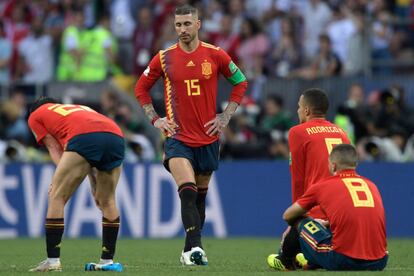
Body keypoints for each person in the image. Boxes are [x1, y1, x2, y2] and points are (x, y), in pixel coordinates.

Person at [135, 4, 248, 266]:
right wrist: (156, 119)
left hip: (208, 138)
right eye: (178, 25)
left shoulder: (216, 55)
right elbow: (141, 88)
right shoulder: (163, 57)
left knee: (199, 198)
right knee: (187, 191)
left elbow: (240, 82)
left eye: (187, 24)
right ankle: (197, 249)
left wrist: (225, 116)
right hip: (178, 138)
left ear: (198, 24)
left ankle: (188, 251)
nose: (182, 29)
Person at [27, 97, 125, 272]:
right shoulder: (81, 107)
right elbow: (91, 152)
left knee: (56, 195)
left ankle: (52, 261)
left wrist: (59, 178)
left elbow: (54, 147)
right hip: (115, 135)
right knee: (107, 201)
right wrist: (92, 180)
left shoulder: (36, 115)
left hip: (84, 137)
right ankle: (107, 261)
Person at [267, 144, 388, 271]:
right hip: (380, 260)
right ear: (355, 164)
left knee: (299, 220)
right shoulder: (372, 185)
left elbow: (288, 215)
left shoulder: (323, 186)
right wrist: (327, 223)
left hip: (343, 260)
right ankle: (311, 261)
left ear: (333, 165)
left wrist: (314, 222)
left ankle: (285, 261)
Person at [289, 88, 350, 219]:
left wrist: (296, 216)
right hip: (343, 208)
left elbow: (298, 179)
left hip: (317, 209)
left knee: (289, 240)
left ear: (306, 110)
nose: (297, 110)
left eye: (299, 106)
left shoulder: (298, 132)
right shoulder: (342, 132)